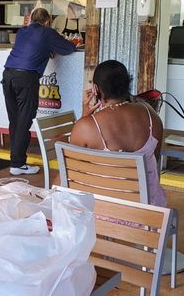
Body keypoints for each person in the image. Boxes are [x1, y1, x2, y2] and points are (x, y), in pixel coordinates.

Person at [69, 60, 167, 206]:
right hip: (150, 213)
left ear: (96, 89)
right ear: (127, 85)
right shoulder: (151, 115)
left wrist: (85, 116)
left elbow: (72, 172)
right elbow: (155, 160)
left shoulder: (88, 126)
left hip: (105, 214)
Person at [2, 7, 75, 175]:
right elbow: (69, 48)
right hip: (26, 78)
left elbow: (31, 48)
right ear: (48, 21)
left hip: (8, 75)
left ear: (31, 20)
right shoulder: (47, 32)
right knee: (24, 120)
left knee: (15, 120)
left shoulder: (22, 32)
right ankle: (17, 163)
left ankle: (16, 161)